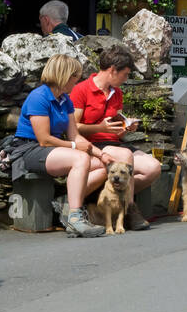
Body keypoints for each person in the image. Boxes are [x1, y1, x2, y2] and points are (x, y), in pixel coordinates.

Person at [9, 54, 106, 238]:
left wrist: (100, 154)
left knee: (100, 166)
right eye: (75, 77)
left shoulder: (65, 100)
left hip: (53, 149)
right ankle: (75, 219)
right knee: (80, 158)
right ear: (64, 76)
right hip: (30, 149)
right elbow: (44, 139)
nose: (77, 82)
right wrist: (74, 147)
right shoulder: (39, 97)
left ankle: (67, 204)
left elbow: (74, 135)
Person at [69, 44, 162, 230]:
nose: (126, 78)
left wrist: (126, 127)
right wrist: (99, 127)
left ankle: (111, 198)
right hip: (93, 144)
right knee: (125, 156)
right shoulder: (82, 90)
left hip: (114, 143)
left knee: (153, 167)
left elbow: (117, 123)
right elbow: (73, 128)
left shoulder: (116, 92)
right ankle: (129, 209)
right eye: (125, 74)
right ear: (112, 70)